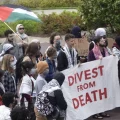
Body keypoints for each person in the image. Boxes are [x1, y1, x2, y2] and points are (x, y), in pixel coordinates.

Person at [88, 36, 110, 119]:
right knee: (96, 95)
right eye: (101, 40)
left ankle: (103, 111)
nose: (104, 40)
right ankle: (95, 113)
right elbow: (89, 65)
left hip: (104, 76)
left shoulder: (105, 50)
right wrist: (98, 62)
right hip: (96, 77)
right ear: (97, 43)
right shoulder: (92, 52)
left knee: (103, 94)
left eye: (104, 39)